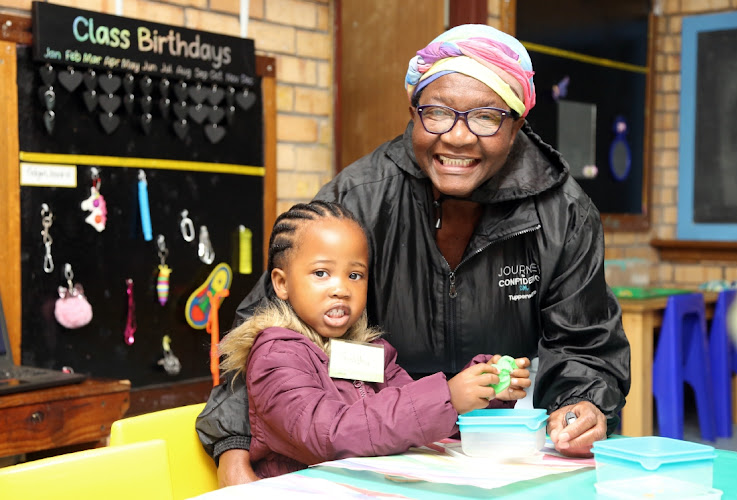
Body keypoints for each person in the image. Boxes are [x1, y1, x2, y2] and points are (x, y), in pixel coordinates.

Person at [197, 24, 631, 486]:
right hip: (368, 456)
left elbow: (583, 345)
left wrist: (584, 403)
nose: (459, 138)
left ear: (518, 122)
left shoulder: (563, 213)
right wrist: (232, 444)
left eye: (486, 117)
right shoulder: (360, 198)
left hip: (490, 455)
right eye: (438, 112)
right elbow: (264, 329)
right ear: (412, 113)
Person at [218, 200, 531, 478]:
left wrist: (483, 389)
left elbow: (418, 421)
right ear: (281, 284)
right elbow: (329, 435)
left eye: (355, 275)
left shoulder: (372, 352)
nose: (340, 288)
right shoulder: (276, 355)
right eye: (321, 274)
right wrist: (447, 396)